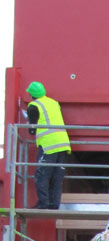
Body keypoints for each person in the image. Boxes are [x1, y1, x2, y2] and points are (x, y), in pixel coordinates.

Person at [26, 81, 71, 209]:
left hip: (48, 145)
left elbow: (32, 129)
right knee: (57, 176)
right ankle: (54, 204)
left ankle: (43, 203)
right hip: (63, 143)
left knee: (42, 175)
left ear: (32, 94)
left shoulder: (33, 106)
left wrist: (29, 123)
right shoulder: (53, 102)